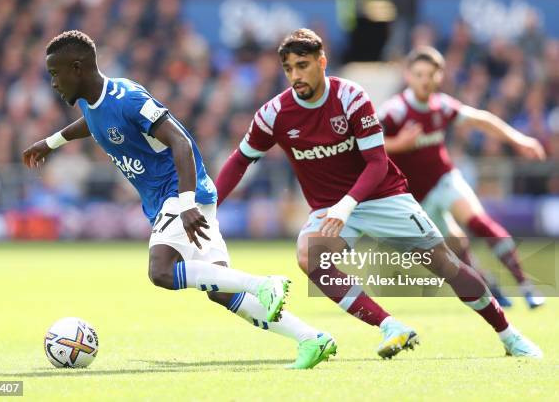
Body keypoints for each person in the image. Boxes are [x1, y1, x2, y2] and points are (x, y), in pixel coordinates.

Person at [215, 28, 542, 358]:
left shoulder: (351, 98)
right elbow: (240, 160)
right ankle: (390, 326)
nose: (295, 75)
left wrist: (347, 204)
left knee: (446, 266)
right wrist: (209, 207)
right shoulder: (273, 114)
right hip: (332, 209)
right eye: (288, 69)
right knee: (308, 257)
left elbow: (376, 163)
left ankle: (509, 335)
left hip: (383, 197)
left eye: (303, 65)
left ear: (322, 62)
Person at [22, 30, 337, 369]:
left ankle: (263, 283)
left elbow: (180, 142)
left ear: (78, 68)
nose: (52, 82)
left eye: (55, 73)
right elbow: (94, 122)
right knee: (222, 290)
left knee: (161, 272)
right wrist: (51, 142)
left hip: (181, 191)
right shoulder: (91, 100)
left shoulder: (127, 98)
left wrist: (186, 203)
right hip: (173, 198)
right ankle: (311, 338)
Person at [380, 46, 546, 309]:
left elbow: (482, 120)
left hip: (444, 179)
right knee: (457, 247)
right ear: (408, 76)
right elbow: (365, 144)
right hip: (415, 198)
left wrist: (519, 140)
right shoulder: (395, 111)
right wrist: (399, 143)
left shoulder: (442, 105)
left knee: (479, 222)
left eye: (430, 74)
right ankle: (491, 287)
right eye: (419, 74)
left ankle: (526, 286)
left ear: (439, 76)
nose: (425, 80)